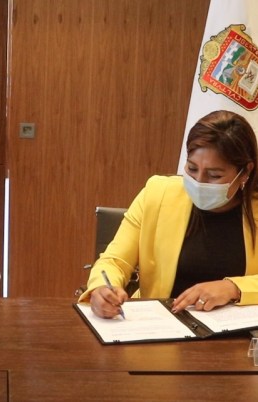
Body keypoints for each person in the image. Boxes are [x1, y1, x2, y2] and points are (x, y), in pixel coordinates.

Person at [80, 110, 258, 318]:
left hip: (236, 333)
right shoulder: (158, 193)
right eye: (192, 169)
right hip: (160, 325)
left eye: (214, 175)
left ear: (245, 172)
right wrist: (101, 289)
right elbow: (115, 261)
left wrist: (233, 288)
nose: (199, 181)